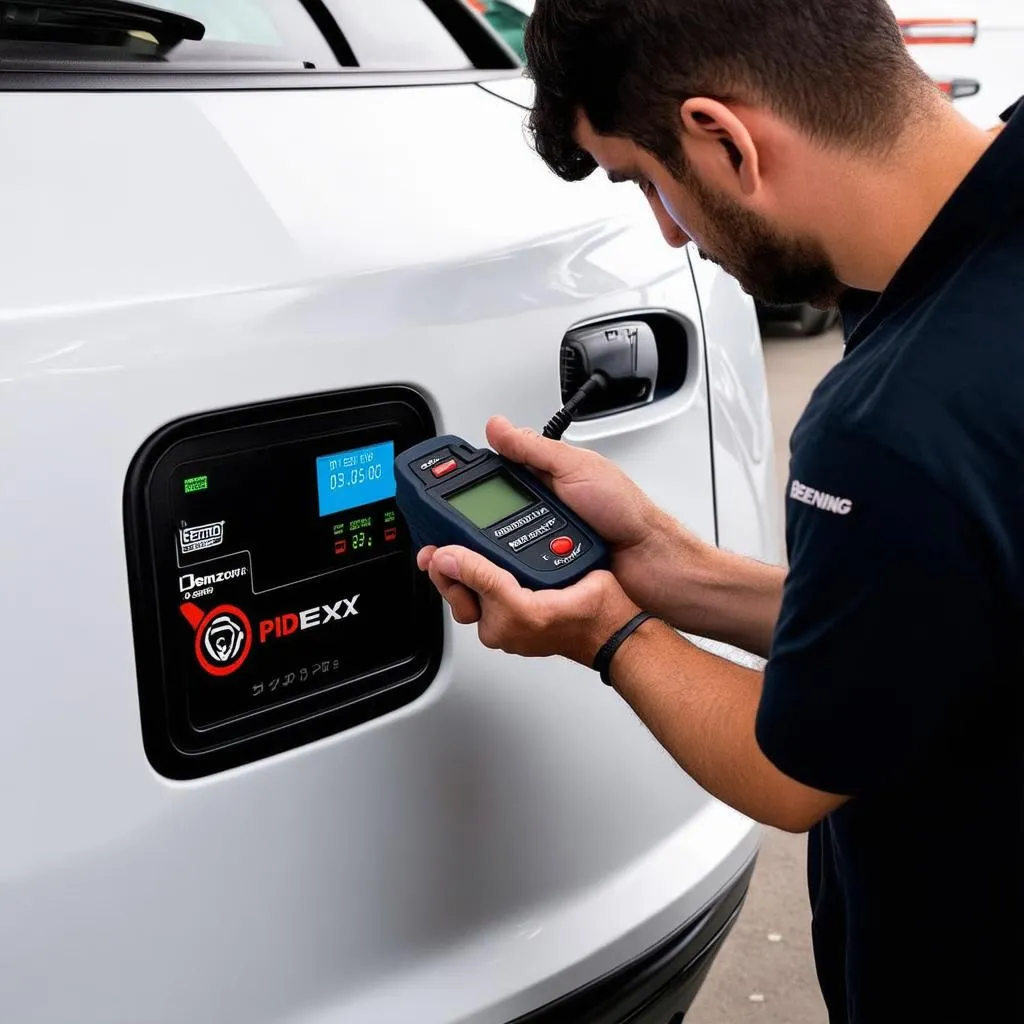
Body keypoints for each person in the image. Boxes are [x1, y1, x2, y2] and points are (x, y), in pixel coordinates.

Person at [418, 1, 1022, 1021]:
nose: (667, 230)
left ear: (722, 138)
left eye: (650, 182)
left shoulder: (892, 426)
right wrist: (664, 562)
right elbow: (935, 603)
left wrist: (604, 629)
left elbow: (793, 770)